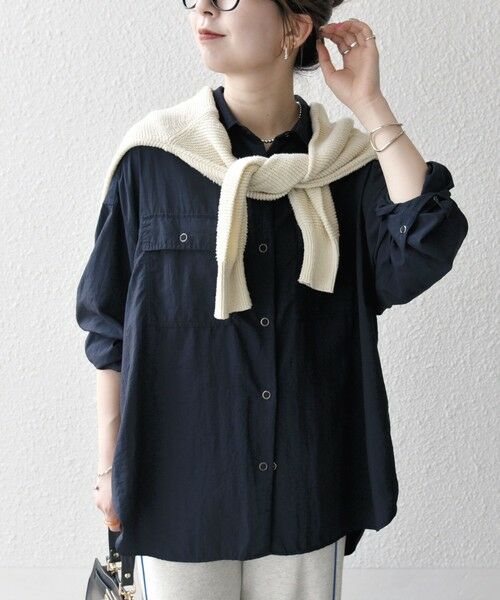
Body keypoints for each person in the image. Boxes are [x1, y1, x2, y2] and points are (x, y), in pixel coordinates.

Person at [75, 1, 469, 599]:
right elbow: (109, 329)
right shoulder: (154, 159)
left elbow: (425, 245)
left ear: (296, 26)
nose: (205, 8)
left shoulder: (346, 167)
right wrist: (108, 468)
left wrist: (369, 105)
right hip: (177, 493)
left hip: (306, 490)